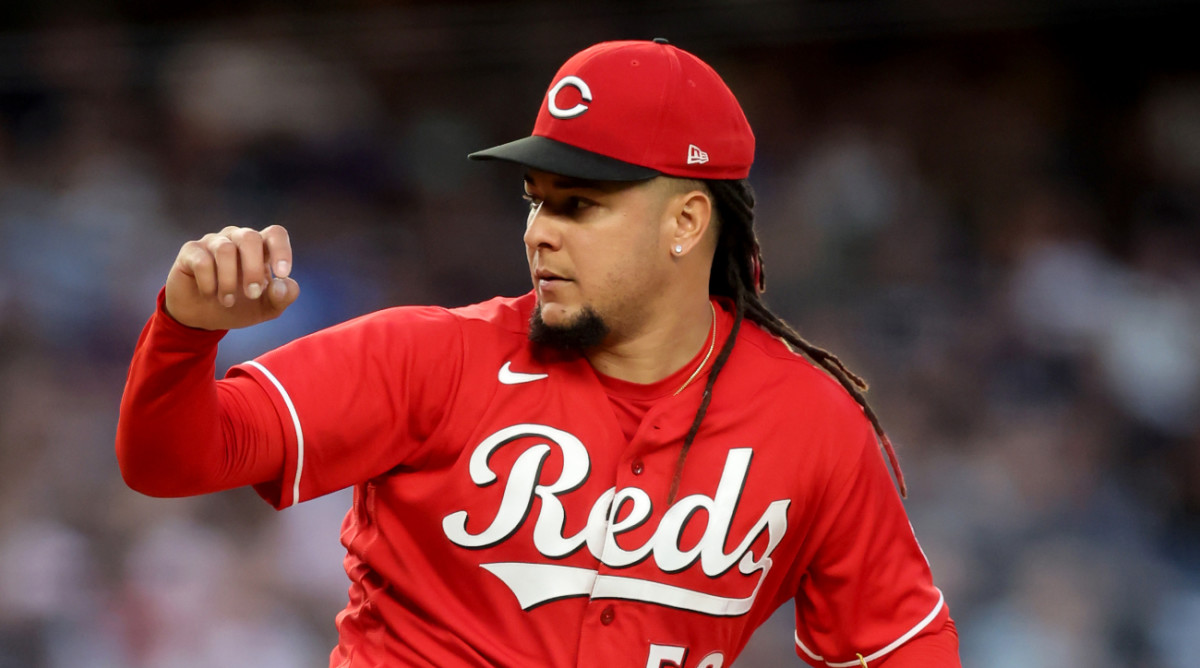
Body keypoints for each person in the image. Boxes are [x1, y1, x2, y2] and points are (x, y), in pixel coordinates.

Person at [116, 39, 961, 667]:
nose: (539, 233)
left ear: (687, 223)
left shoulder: (811, 422)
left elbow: (901, 649)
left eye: (579, 205)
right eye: (536, 200)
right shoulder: (433, 359)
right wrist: (187, 332)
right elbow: (170, 460)